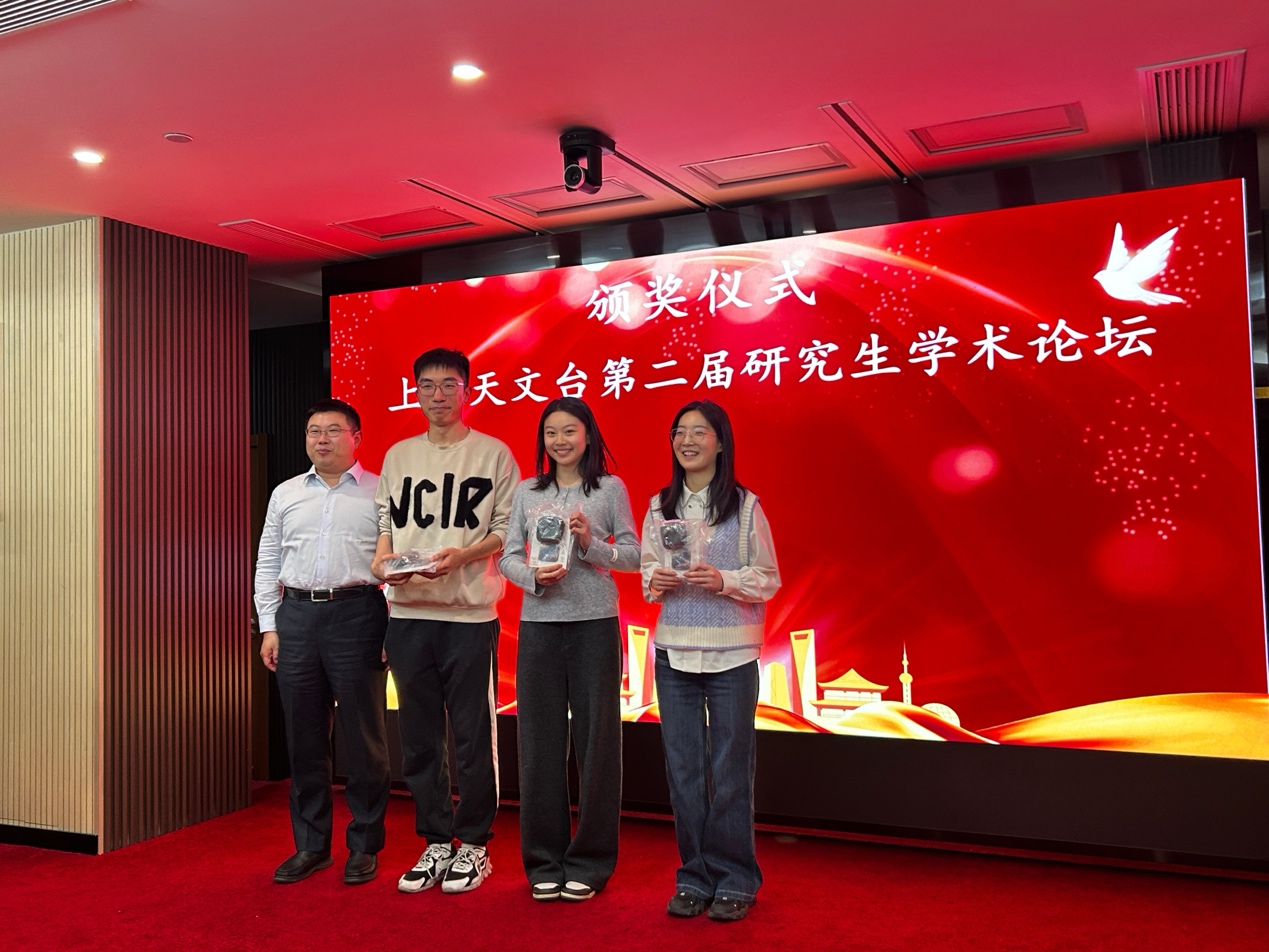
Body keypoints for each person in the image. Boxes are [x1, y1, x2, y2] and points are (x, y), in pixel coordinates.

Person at [371, 347, 519, 895]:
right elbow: (385, 523)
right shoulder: (399, 455)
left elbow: (508, 528)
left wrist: (463, 556)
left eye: (448, 384)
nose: (437, 395)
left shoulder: (494, 454)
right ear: (415, 392)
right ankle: (436, 839)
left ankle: (474, 843)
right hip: (407, 613)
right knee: (418, 736)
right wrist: (381, 563)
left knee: (474, 735)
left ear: (467, 389)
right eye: (427, 385)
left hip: (469, 614)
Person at [640, 400, 781, 923]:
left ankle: (736, 878)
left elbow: (767, 578)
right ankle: (694, 877)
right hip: (674, 653)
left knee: (730, 771)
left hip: (733, 655)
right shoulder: (659, 506)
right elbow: (648, 574)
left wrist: (724, 580)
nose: (687, 441)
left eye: (700, 432)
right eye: (679, 432)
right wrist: (656, 580)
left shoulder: (745, 506)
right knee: (683, 772)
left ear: (721, 442)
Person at [499, 397, 640, 902]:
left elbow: (634, 555)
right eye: (551, 433)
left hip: (594, 625)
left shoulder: (609, 489)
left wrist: (589, 545)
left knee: (598, 743)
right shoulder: (526, 491)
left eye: (569, 431)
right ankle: (543, 860)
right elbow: (507, 557)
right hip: (539, 626)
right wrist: (533, 577)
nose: (559, 441)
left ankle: (591, 861)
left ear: (588, 436)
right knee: (538, 744)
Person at [254, 398, 390, 887]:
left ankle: (364, 845)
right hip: (295, 617)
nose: (322, 439)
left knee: (364, 738)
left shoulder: (380, 491)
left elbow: (393, 563)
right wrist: (269, 625)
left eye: (333, 430)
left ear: (357, 437)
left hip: (358, 613)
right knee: (305, 738)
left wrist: (391, 627)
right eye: (314, 431)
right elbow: (268, 560)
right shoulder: (286, 493)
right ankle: (311, 845)